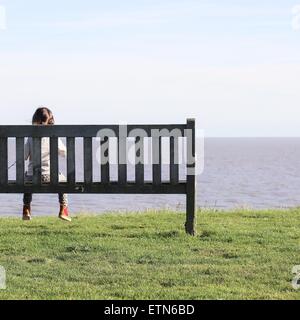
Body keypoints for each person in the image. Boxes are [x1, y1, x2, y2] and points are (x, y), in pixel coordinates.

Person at [23, 107, 71, 222]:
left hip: (32, 177)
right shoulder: (54, 137)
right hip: (50, 176)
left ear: (35, 119)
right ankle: (63, 208)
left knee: (27, 179)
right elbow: (65, 153)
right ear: (50, 120)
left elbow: (24, 156)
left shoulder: (30, 137)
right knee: (63, 181)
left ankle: (26, 208)